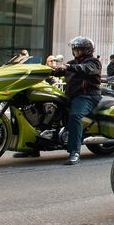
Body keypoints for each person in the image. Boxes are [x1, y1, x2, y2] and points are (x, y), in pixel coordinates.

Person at [39, 37, 102, 165]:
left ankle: (75, 151)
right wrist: (46, 71)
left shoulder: (94, 62)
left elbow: (85, 69)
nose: (75, 52)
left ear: (87, 50)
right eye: (75, 50)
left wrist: (67, 66)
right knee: (47, 109)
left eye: (78, 50)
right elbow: (60, 71)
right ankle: (34, 148)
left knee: (75, 115)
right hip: (71, 96)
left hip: (87, 96)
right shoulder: (72, 62)